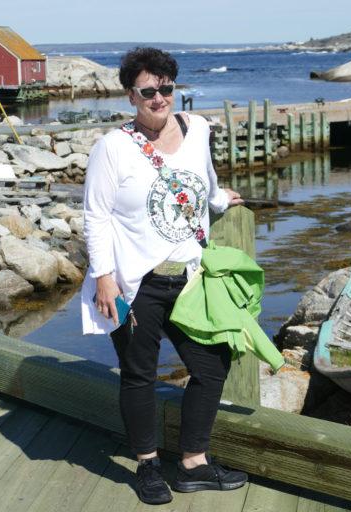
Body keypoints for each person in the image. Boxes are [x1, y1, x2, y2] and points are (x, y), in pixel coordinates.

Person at [81, 47, 247, 505]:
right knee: (139, 374)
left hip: (190, 278)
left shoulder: (198, 129)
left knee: (212, 365)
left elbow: (204, 181)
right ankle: (148, 465)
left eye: (166, 88)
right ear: (131, 96)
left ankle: (193, 463)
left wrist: (220, 201)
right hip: (137, 284)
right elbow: (95, 216)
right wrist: (104, 277)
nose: (159, 98)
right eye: (148, 91)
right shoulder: (113, 147)